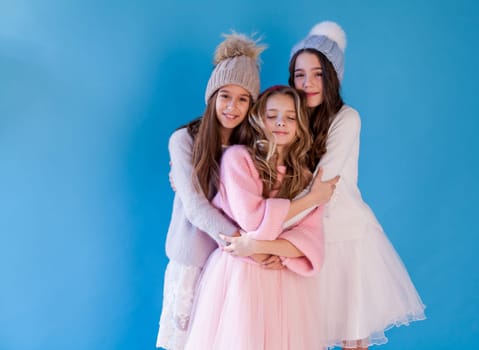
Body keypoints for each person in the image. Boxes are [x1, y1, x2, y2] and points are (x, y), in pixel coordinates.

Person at [288, 21, 427, 349]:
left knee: (353, 337)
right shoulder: (286, 117)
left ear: (333, 76)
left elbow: (323, 182)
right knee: (304, 333)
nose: (308, 83)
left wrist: (274, 221)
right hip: (305, 234)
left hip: (345, 236)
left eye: (318, 73)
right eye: (300, 74)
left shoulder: (346, 118)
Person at [184, 85, 337, 350]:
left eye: (290, 117)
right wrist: (311, 199)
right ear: (258, 119)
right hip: (240, 276)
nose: (281, 122)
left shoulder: (305, 176)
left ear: (301, 125)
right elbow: (253, 222)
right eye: (272, 115)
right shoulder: (237, 159)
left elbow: (310, 243)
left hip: (284, 279)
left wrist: (256, 246)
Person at [156, 32, 266, 350]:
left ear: (252, 104)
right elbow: (195, 206)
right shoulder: (184, 141)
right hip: (196, 261)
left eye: (243, 98)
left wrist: (252, 248)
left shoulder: (253, 148)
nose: (232, 107)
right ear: (212, 96)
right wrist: (245, 245)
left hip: (236, 265)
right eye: (225, 96)